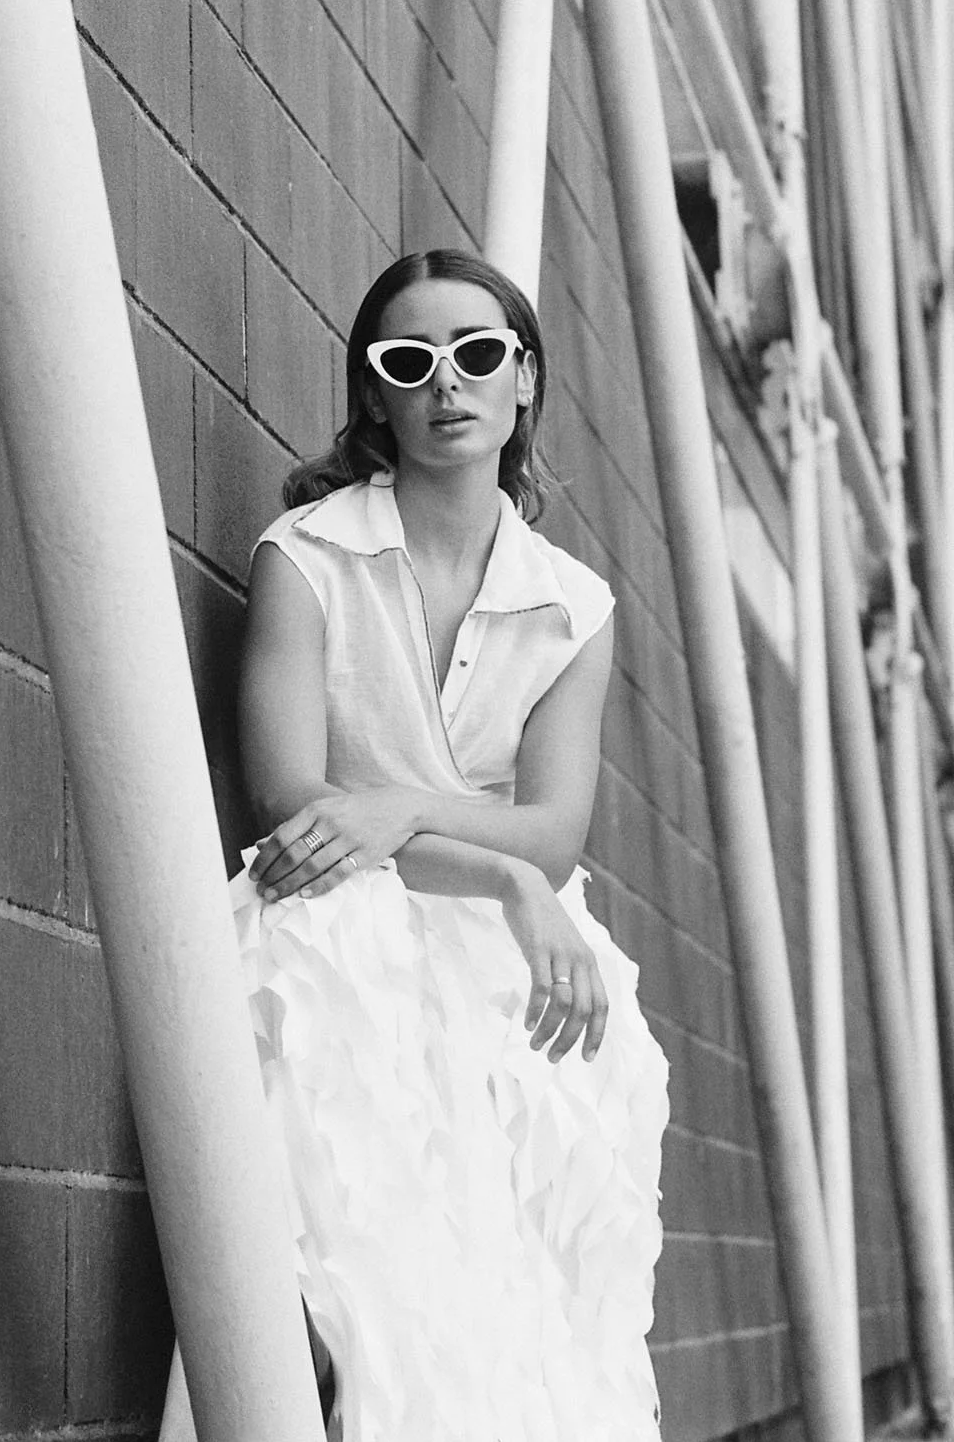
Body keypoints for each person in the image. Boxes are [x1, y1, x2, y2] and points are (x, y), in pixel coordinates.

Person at [231, 247, 669, 1441]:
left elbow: (555, 833)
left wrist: (404, 812)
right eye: (408, 361)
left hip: (505, 954)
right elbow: (294, 808)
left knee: (531, 1302)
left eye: (478, 356)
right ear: (374, 392)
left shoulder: (572, 603)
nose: (448, 384)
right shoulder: (306, 559)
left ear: (522, 380)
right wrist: (504, 874)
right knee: (365, 1282)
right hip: (337, 929)